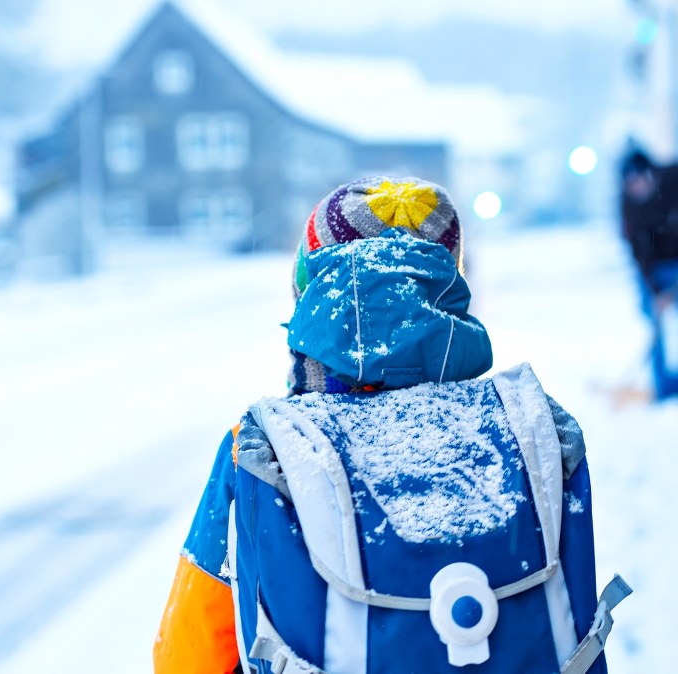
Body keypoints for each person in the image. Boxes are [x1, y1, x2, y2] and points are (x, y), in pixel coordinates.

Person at [153, 177, 628, 673]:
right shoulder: (536, 428)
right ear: (448, 287)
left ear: (311, 295)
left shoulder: (262, 452)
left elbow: (186, 656)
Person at [619, 149, 678, 401]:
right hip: (651, 269)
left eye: (639, 182)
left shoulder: (675, 176)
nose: (636, 190)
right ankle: (663, 388)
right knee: (656, 325)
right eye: (630, 186)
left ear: (650, 175)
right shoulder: (628, 205)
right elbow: (636, 251)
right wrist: (655, 292)